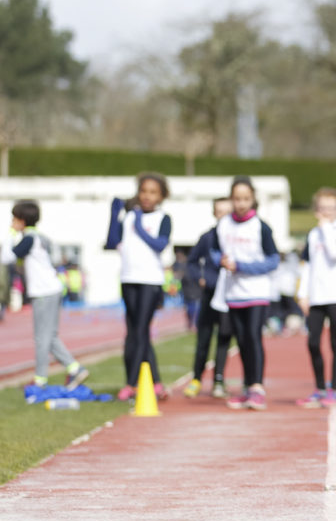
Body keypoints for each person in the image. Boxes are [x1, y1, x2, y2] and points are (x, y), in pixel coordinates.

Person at [210, 176, 280, 411]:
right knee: (240, 341)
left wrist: (241, 266)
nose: (241, 203)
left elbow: (272, 260)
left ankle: (257, 388)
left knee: (253, 337)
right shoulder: (223, 225)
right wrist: (220, 261)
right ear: (231, 199)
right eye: (237, 199)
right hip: (233, 294)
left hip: (257, 292)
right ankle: (247, 386)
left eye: (246, 199)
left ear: (253, 200)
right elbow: (212, 251)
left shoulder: (261, 226)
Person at [2, 200, 89, 389]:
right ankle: (74, 368)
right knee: (51, 336)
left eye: (14, 219)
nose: (12, 222)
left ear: (21, 220)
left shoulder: (28, 239)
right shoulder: (41, 238)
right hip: (52, 289)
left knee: (42, 337)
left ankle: (40, 379)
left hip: (44, 292)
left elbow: (6, 257)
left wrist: (10, 234)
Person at [105, 172, 172, 402]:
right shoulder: (129, 217)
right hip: (128, 278)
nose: (146, 196)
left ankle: (131, 383)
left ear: (161, 196)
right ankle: (157, 382)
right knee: (133, 332)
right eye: (143, 191)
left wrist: (140, 224)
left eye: (153, 192)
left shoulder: (163, 218)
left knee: (140, 332)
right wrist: (114, 214)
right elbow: (112, 242)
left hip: (150, 282)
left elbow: (159, 244)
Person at [295, 188, 336, 408]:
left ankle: (334, 388)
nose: (325, 213)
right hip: (317, 297)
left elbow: (335, 254)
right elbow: (308, 265)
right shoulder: (313, 234)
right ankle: (320, 387)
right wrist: (302, 294)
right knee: (313, 342)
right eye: (322, 208)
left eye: (330, 209)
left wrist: (326, 228)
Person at [182, 196, 235, 399]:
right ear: (214, 214)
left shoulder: (237, 237)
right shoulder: (207, 237)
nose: (223, 216)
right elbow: (192, 262)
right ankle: (196, 379)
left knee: (224, 337)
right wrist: (201, 278)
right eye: (219, 212)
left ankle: (218, 380)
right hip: (210, 295)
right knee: (203, 338)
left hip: (230, 296)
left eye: (227, 212)